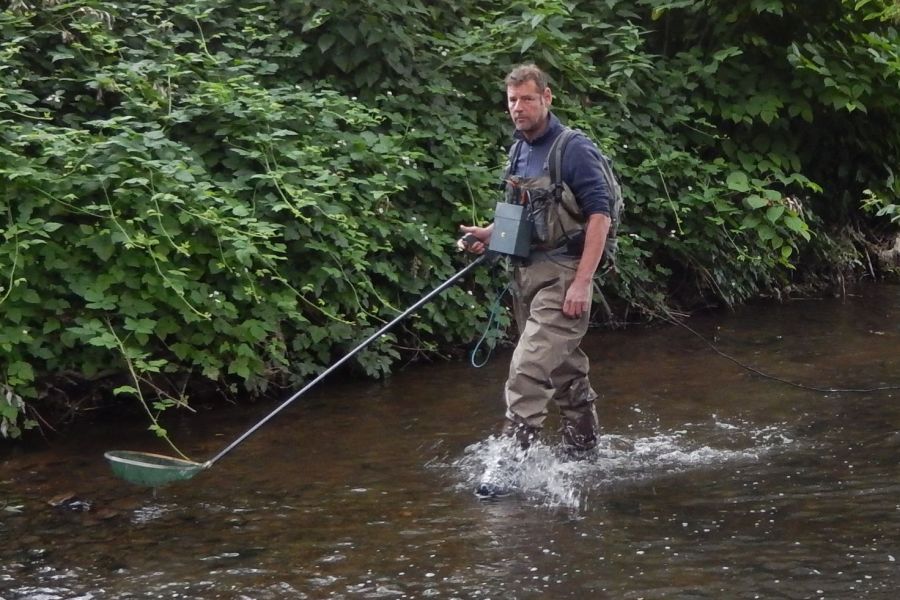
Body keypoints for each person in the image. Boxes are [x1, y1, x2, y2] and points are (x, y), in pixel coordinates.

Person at [459, 63, 613, 453]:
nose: (518, 107)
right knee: (562, 368)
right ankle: (585, 452)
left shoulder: (573, 149)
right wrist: (491, 234)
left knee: (528, 367)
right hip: (526, 276)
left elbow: (601, 217)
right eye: (512, 100)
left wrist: (582, 282)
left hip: (564, 275)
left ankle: (509, 464)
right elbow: (525, 212)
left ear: (546, 97)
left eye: (527, 99)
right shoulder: (519, 150)